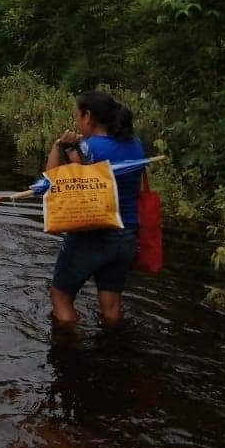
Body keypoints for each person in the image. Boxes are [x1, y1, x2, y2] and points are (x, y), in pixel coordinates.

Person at [45, 90, 145, 326]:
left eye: (78, 115)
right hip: (127, 234)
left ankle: (71, 350)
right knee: (111, 304)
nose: (77, 121)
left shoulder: (88, 149)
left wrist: (59, 146)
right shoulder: (136, 144)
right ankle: (113, 351)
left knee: (60, 296)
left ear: (87, 116)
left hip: (92, 233)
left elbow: (52, 182)